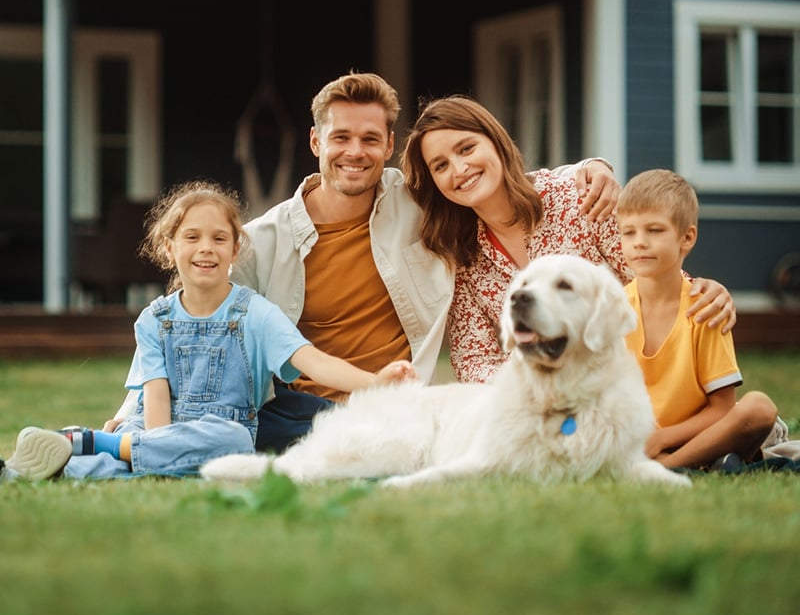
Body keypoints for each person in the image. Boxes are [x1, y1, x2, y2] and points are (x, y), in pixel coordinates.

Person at [107, 73, 623, 449]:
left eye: (370, 139)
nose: (355, 152)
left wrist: (585, 169)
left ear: (389, 146)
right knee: (230, 430)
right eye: (341, 137)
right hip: (293, 409)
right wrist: (129, 407)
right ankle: (119, 440)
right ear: (316, 142)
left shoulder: (421, 203)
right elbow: (184, 313)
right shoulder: (261, 242)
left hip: (392, 403)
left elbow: (483, 176)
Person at [0, 181, 414, 481]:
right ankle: (20, 469)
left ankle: (78, 445)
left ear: (236, 250)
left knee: (232, 440)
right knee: (168, 451)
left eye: (219, 239)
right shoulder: (154, 320)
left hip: (217, 431)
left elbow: (313, 361)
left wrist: (373, 381)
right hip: (153, 429)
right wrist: (160, 447)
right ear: (169, 248)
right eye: (192, 237)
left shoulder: (255, 313)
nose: (206, 248)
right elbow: (155, 396)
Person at [400, 95, 737, 383]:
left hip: (635, 372)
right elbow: (474, 360)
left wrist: (697, 291)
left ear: (495, 142)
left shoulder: (577, 199)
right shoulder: (459, 255)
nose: (459, 169)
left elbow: (652, 279)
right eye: (440, 166)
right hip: (542, 399)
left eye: (467, 148)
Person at [616, 169, 777, 470]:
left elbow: (723, 409)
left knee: (758, 408)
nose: (639, 242)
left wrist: (662, 439)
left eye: (654, 230)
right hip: (633, 436)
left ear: (687, 237)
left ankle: (667, 466)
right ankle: (705, 462)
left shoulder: (706, 308)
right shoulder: (614, 310)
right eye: (629, 232)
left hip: (695, 435)